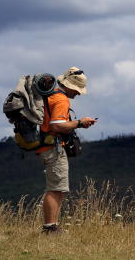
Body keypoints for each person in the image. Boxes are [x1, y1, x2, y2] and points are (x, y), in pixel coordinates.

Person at [35, 67, 97, 234]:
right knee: (55, 187)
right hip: (53, 147)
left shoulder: (51, 94)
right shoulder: (61, 100)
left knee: (57, 187)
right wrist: (79, 122)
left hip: (46, 145)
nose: (77, 94)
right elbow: (57, 125)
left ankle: (51, 226)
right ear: (69, 85)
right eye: (77, 90)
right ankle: (50, 228)